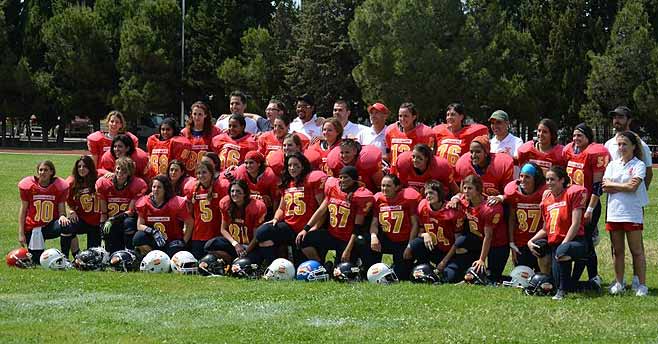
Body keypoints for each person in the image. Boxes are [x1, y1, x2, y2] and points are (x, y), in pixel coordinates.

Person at [253, 152, 327, 265]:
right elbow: (282, 208)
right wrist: (276, 219)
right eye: (290, 165)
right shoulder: (288, 183)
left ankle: (320, 264)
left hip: (306, 227)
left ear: (303, 166)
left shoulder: (311, 180)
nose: (292, 168)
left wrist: (315, 227)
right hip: (289, 227)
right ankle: (275, 265)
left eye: (296, 165)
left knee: (302, 264)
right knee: (261, 233)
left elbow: (322, 208)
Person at [528, 166, 588, 300]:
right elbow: (545, 228)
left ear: (562, 180)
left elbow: (576, 223)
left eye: (552, 179)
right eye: (547, 179)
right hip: (556, 245)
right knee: (539, 246)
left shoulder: (572, 193)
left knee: (562, 251)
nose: (549, 182)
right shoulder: (547, 201)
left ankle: (562, 292)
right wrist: (530, 241)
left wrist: (565, 243)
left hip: (575, 241)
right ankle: (583, 285)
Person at [563, 123, 610, 286]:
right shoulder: (569, 149)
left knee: (586, 241)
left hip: (589, 204)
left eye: (580, 135)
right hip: (572, 203)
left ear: (588, 137)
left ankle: (593, 276)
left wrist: (590, 209)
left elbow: (597, 186)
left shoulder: (595, 152)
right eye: (574, 135)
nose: (576, 139)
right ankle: (570, 277)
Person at [603, 131, 649, 296]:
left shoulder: (639, 165)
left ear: (633, 146)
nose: (621, 148)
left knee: (636, 250)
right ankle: (619, 283)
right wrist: (623, 185)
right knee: (618, 250)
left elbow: (633, 187)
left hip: (632, 213)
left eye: (625, 144)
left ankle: (642, 285)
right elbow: (605, 187)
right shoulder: (612, 165)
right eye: (619, 145)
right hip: (614, 212)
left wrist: (614, 184)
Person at [301, 166, 374, 266]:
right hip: (332, 235)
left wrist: (348, 250)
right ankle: (319, 264)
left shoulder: (360, 196)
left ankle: (357, 262)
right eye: (340, 177)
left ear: (354, 179)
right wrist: (306, 228)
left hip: (347, 239)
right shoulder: (332, 187)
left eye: (346, 177)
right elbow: (321, 210)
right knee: (303, 239)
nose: (342, 180)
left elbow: (357, 228)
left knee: (341, 271)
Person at [404, 180, 467, 282]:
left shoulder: (452, 211)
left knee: (448, 278)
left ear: (440, 193)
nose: (428, 196)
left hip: (451, 253)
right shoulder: (423, 206)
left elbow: (457, 242)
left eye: (431, 193)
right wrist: (425, 235)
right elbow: (420, 231)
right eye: (426, 193)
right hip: (435, 248)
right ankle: (425, 267)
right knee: (416, 244)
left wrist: (444, 262)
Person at [364, 174, 421, 281]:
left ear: (397, 187)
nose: (384, 189)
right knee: (364, 240)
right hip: (387, 239)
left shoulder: (408, 198)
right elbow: (374, 223)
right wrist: (373, 236)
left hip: (403, 242)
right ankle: (369, 268)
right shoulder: (378, 199)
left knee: (400, 276)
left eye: (388, 186)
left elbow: (415, 224)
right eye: (383, 185)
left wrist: (410, 245)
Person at [491, 162, 547, 271]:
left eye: (527, 177)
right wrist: (512, 243)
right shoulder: (513, 191)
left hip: (540, 240)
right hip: (521, 241)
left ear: (536, 179)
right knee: (522, 275)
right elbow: (512, 218)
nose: (523, 179)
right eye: (521, 176)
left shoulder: (544, 193)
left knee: (543, 276)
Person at [18, 160, 72, 264]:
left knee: (67, 225)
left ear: (52, 172)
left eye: (46, 170)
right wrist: (21, 233)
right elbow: (23, 210)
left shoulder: (59, 186)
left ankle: (65, 257)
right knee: (36, 261)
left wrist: (62, 216)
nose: (42, 172)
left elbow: (61, 210)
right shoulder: (29, 186)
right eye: (40, 170)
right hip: (33, 228)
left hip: (50, 226)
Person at [459, 175, 509, 283]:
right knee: (460, 242)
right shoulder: (465, 200)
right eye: (465, 188)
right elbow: (458, 196)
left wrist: (482, 259)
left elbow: (489, 235)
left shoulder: (489, 207)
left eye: (470, 188)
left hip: (497, 244)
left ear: (478, 190)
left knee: (492, 278)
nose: (466, 191)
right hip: (479, 239)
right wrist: (453, 200)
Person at [204, 179, 267, 263]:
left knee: (245, 263)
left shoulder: (256, 207)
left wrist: (245, 252)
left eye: (238, 191)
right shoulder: (225, 204)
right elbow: (223, 229)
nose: (234, 194)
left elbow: (256, 237)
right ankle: (230, 260)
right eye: (232, 191)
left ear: (245, 193)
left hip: (250, 246)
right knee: (209, 245)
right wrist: (235, 244)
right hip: (234, 244)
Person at [96, 157, 147, 253]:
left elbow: (131, 212)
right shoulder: (104, 183)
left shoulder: (137, 184)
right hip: (110, 221)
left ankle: (130, 251)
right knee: (112, 252)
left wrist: (113, 219)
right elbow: (103, 212)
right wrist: (102, 225)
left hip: (125, 220)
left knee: (128, 222)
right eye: (118, 168)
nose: (120, 172)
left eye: (124, 170)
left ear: (129, 172)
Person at [134, 175, 193, 257]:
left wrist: (184, 241)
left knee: (174, 251)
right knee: (138, 237)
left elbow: (189, 222)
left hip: (172, 241)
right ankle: (152, 256)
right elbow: (139, 225)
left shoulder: (175, 203)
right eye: (154, 187)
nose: (155, 190)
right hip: (155, 240)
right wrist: (153, 232)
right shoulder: (145, 203)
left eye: (159, 187)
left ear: (165, 189)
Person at [183, 160, 229, 258]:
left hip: (216, 233)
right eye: (198, 173)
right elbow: (189, 212)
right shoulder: (192, 189)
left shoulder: (221, 187)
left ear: (211, 173)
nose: (201, 175)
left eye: (204, 172)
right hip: (198, 234)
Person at [604, 106, 652, 189]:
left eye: (620, 117)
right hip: (613, 196)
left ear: (629, 120)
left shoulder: (640, 144)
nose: (617, 120)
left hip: (633, 196)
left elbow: (648, 171)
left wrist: (642, 189)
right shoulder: (608, 144)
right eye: (614, 117)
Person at [64, 156, 102, 258]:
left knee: (93, 255)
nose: (81, 169)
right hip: (82, 218)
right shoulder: (72, 182)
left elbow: (108, 173)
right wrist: (71, 211)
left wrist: (110, 174)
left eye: (85, 166)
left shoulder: (99, 177)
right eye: (79, 166)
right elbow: (64, 200)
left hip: (97, 221)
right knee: (68, 227)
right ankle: (76, 255)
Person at [434, 103, 488, 167]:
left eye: (453, 114)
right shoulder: (439, 131)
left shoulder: (470, 133)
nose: (449, 117)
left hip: (459, 174)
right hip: (441, 174)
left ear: (461, 117)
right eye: (447, 115)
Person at [392, 143, 458, 195]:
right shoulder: (403, 162)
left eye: (419, 158)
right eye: (413, 156)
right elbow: (398, 188)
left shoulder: (441, 166)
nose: (415, 160)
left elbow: (454, 189)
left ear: (427, 158)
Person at [385, 102, 436, 166]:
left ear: (414, 117)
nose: (402, 119)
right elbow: (389, 155)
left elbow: (429, 159)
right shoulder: (390, 130)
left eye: (406, 116)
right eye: (400, 116)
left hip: (414, 174)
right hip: (394, 173)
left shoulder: (425, 133)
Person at [180, 101, 222, 176]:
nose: (197, 117)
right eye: (195, 114)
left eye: (200, 114)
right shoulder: (184, 133)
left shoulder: (215, 132)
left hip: (207, 174)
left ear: (205, 115)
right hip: (189, 174)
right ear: (191, 115)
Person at [488, 110, 523, 177]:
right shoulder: (490, 143)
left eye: (498, 122)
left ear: (507, 123)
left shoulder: (517, 142)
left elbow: (519, 160)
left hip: (512, 183)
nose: (495, 126)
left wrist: (506, 158)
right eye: (492, 123)